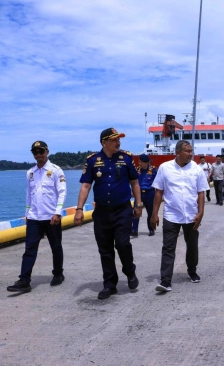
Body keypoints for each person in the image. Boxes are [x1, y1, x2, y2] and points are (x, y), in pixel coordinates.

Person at [74, 128, 143, 300]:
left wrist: (139, 205)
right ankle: (109, 284)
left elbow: (134, 182)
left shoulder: (126, 158)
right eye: (114, 140)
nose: (118, 142)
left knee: (122, 244)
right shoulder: (92, 161)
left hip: (122, 210)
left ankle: (130, 271)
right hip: (102, 213)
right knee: (105, 249)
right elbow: (85, 186)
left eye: (119, 139)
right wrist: (79, 209)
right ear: (104, 142)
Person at [7, 141, 67, 293]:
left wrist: (57, 212)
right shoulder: (30, 173)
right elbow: (28, 195)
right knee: (29, 249)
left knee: (56, 247)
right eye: (35, 152)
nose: (38, 154)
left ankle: (58, 274)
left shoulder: (56, 170)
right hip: (34, 217)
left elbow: (62, 192)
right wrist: (27, 213)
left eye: (41, 151)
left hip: (51, 216)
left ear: (47, 152)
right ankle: (24, 280)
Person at [151, 140, 209, 292]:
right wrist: (154, 213)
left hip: (191, 214)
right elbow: (158, 191)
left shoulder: (196, 169)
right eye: (187, 151)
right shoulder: (165, 168)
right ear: (178, 152)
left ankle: (192, 270)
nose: (190, 154)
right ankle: (165, 281)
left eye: (191, 151)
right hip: (171, 214)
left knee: (192, 245)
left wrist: (201, 212)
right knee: (168, 247)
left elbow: (201, 192)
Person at [131, 154, 158, 237]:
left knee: (150, 212)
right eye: (139, 161)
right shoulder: (137, 170)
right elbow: (133, 182)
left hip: (150, 193)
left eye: (141, 162)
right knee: (136, 212)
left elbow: (158, 182)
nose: (139, 163)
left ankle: (151, 229)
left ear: (146, 163)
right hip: (139, 194)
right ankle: (134, 230)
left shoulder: (153, 170)